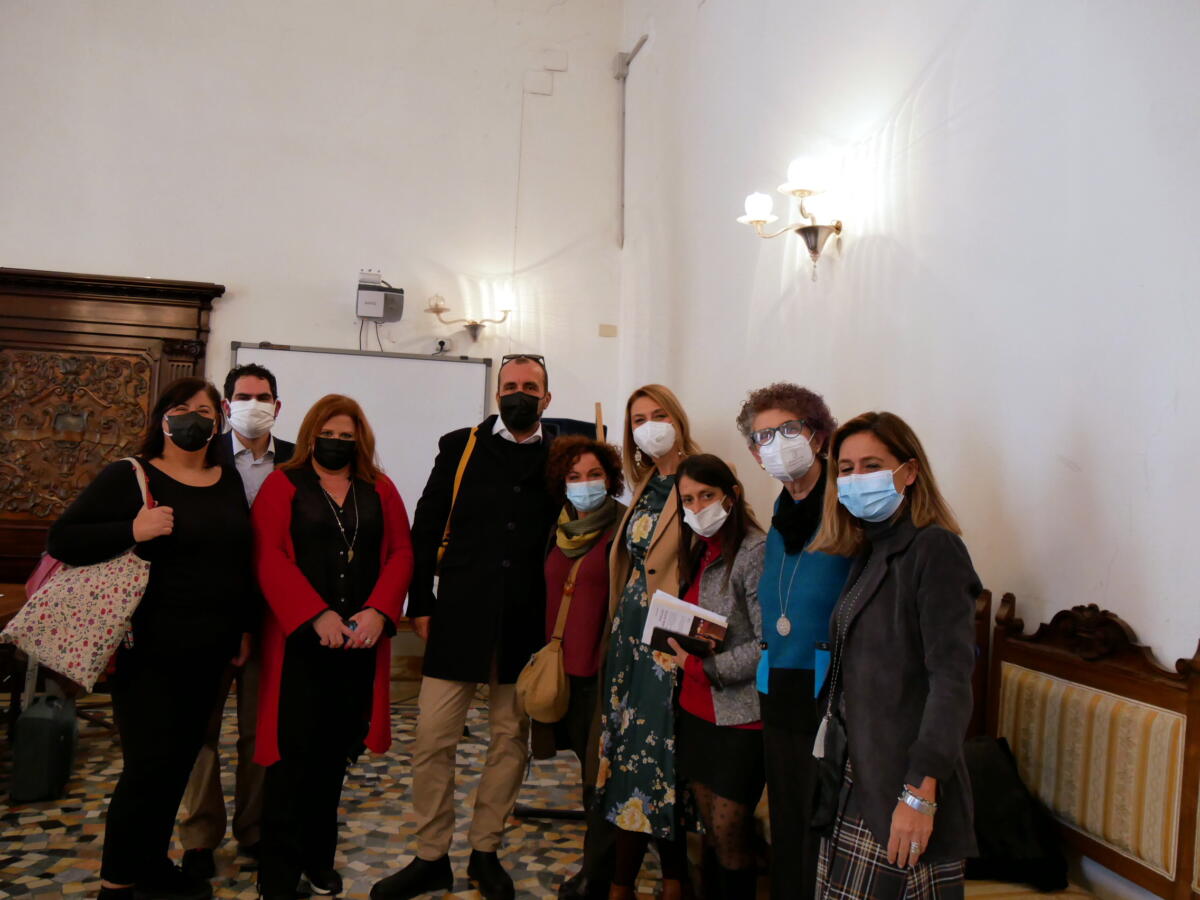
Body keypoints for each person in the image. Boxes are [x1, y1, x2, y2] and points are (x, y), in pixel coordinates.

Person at [47, 376, 254, 900]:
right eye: (182, 408)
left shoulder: (226, 479)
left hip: (210, 649)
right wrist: (133, 531)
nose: (193, 419)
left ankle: (152, 866)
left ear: (218, 421)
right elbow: (64, 539)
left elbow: (236, 559)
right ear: (163, 417)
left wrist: (242, 626)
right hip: (149, 651)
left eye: (204, 411)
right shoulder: (132, 474)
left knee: (178, 765)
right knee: (146, 770)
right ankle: (116, 885)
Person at [372, 354, 559, 900]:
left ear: (547, 398)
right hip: (457, 614)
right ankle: (431, 856)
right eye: (510, 385)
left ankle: (486, 850)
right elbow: (426, 526)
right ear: (496, 394)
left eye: (530, 387)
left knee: (509, 740)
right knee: (433, 738)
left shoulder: (560, 456)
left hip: (525, 621)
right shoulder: (460, 446)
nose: (519, 394)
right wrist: (421, 602)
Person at [810, 412, 979, 899]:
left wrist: (920, 792)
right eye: (846, 469)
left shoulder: (935, 548)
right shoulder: (869, 548)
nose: (856, 479)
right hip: (856, 770)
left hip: (904, 780)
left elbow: (951, 681)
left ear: (909, 471)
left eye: (872, 465)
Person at [252, 394, 413, 899]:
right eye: (329, 434)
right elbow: (268, 555)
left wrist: (379, 610)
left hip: (358, 646)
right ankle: (277, 875)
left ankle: (318, 859)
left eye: (347, 436)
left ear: (359, 440)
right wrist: (314, 613)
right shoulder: (283, 484)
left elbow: (401, 552)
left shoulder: (380, 488)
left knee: (332, 759)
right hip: (300, 646)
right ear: (311, 435)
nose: (337, 443)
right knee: (289, 761)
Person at [734, 383, 852, 900]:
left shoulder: (847, 508)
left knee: (820, 826)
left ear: (818, 436)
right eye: (763, 437)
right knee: (787, 824)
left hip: (831, 695)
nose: (776, 444)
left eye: (788, 429)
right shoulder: (781, 515)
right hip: (778, 686)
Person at [180, 363, 295, 878]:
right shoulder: (201, 456)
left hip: (272, 619)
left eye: (263, 397)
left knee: (260, 732)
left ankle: (255, 831)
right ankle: (199, 837)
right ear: (227, 407)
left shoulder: (297, 461)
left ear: (277, 405)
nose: (254, 405)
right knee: (198, 732)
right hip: (209, 617)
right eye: (244, 397)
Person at [593, 384, 701, 900]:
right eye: (638, 419)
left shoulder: (700, 479)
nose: (650, 426)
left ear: (677, 420)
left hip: (668, 641)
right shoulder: (645, 484)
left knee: (657, 755)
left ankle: (635, 884)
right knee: (629, 752)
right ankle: (659, 879)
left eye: (659, 415)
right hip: (629, 639)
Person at [668, 454, 767, 900]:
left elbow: (767, 646)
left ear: (732, 495)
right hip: (694, 710)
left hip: (740, 717)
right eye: (688, 500)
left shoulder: (755, 551)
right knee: (709, 830)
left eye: (706, 495)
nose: (697, 508)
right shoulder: (695, 549)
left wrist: (708, 667)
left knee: (730, 835)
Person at [535, 436, 626, 900]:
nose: (585, 484)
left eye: (594, 475)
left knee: (599, 781)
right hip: (561, 673)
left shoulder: (623, 529)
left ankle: (598, 876)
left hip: (602, 674)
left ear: (610, 479)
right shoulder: (556, 529)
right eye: (574, 477)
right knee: (582, 772)